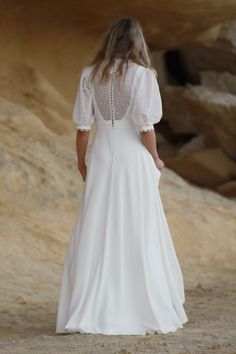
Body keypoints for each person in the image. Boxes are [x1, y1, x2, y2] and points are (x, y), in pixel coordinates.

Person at [56, 17, 188, 336]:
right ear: (136, 42)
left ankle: (91, 305)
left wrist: (81, 162)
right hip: (133, 160)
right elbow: (145, 126)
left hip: (101, 157)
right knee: (138, 225)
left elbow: (83, 128)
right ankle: (141, 304)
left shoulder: (90, 75)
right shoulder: (143, 75)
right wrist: (155, 158)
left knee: (98, 225)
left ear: (110, 41)